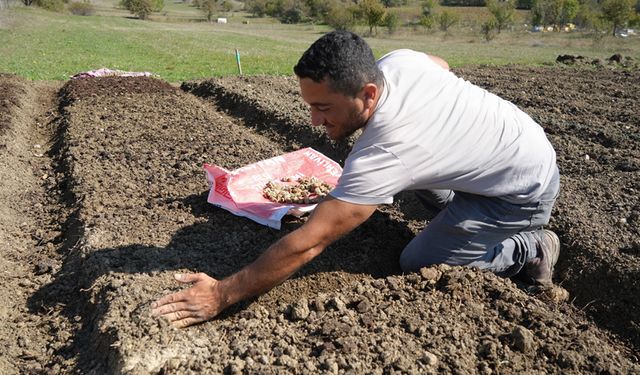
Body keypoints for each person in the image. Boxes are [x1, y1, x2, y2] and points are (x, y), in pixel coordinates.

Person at [152, 30, 560, 328]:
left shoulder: (388, 152)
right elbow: (439, 65)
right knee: (416, 185)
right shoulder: (397, 63)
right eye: (310, 105)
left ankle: (530, 247)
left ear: (367, 93)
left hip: (520, 190)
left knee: (418, 261)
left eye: (324, 107)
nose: (314, 120)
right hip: (506, 150)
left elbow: (311, 241)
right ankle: (457, 222)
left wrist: (222, 294)